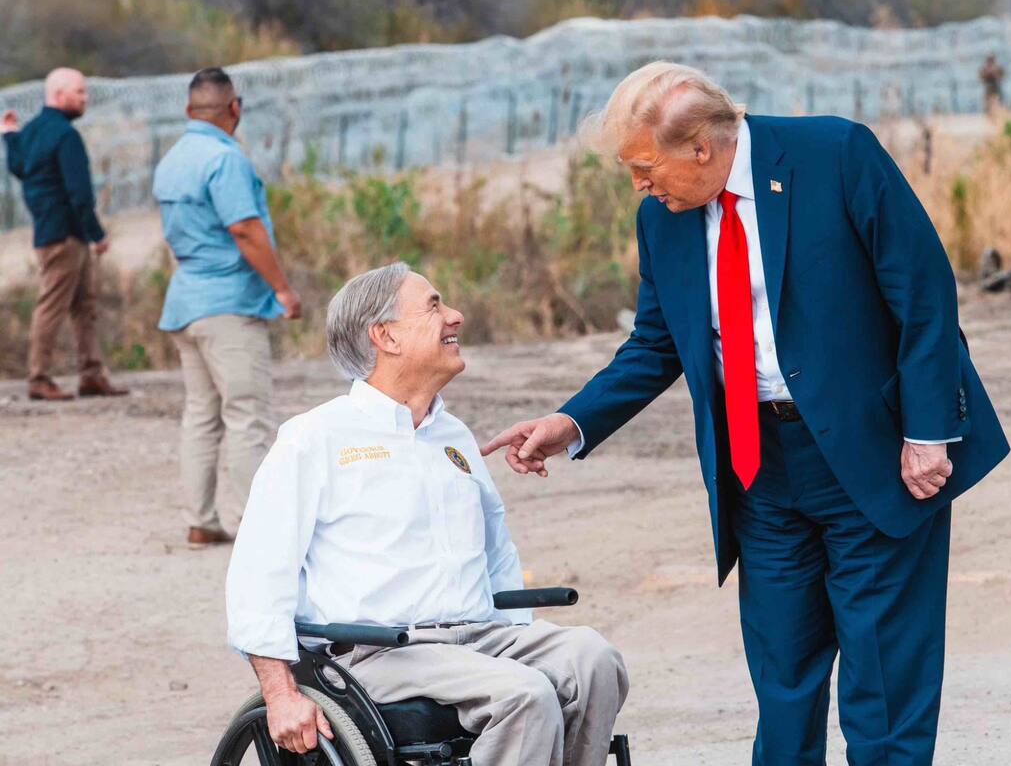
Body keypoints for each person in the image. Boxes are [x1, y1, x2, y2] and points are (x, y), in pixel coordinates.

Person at [484, 62, 1010, 765]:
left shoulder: (836, 155)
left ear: (701, 147)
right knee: (784, 680)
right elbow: (657, 341)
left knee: (883, 683)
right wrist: (573, 422)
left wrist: (927, 431)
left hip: (875, 455)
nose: (639, 185)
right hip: (757, 469)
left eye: (646, 167)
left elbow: (924, 296)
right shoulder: (661, 219)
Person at [226, 263, 628, 765]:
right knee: (525, 694)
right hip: (379, 653)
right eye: (435, 306)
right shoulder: (314, 438)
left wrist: (514, 634)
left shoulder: (452, 434)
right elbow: (258, 574)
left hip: (477, 636)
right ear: (385, 336)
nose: (455, 316)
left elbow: (496, 548)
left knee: (594, 659)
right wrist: (280, 693)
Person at [152, 67, 302, 547]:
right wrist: (280, 287)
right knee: (247, 414)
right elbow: (244, 229)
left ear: (188, 110)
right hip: (228, 304)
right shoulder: (225, 160)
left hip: (187, 300)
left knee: (201, 413)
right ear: (234, 108)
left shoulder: (172, 159)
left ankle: (201, 519)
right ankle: (252, 526)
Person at [1, 68, 128, 401]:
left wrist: (9, 135)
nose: (85, 98)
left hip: (53, 232)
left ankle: (92, 374)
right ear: (59, 94)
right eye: (80, 92)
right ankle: (38, 378)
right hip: (66, 235)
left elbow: (19, 167)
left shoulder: (31, 133)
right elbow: (79, 193)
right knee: (53, 306)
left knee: (85, 305)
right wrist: (97, 233)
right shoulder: (65, 136)